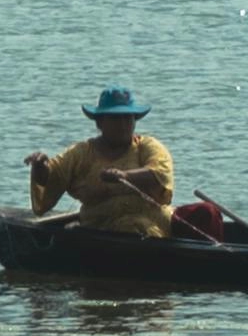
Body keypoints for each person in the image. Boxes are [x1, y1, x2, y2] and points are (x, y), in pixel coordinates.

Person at [26, 84, 175, 240]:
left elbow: (160, 174)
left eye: (128, 118)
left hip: (151, 228)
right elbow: (51, 178)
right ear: (99, 123)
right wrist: (39, 166)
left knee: (134, 227)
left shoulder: (148, 147)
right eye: (115, 119)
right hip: (98, 227)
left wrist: (125, 176)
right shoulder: (81, 153)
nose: (123, 125)